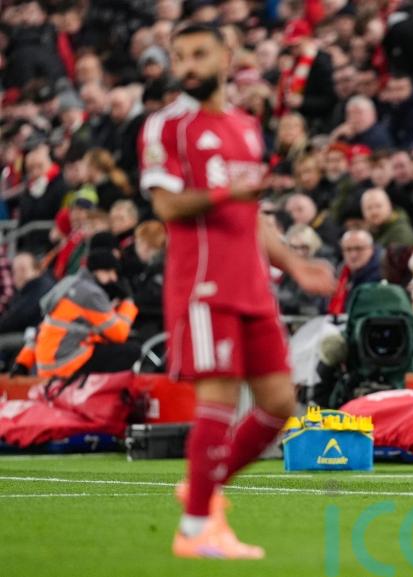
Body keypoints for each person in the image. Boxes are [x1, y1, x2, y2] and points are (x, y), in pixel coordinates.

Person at [138, 23, 334, 561]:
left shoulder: (247, 127)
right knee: (219, 401)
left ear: (226, 57)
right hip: (204, 285)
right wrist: (227, 192)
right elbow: (166, 205)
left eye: (199, 54)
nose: (188, 66)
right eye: (180, 56)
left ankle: (202, 488)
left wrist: (295, 265)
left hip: (253, 287)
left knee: (279, 403)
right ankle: (196, 527)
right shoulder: (167, 126)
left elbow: (253, 215)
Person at [12, 248, 140, 377]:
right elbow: (119, 334)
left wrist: (22, 363)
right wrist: (128, 302)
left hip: (47, 366)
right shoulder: (92, 294)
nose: (114, 278)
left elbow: (42, 329)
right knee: (131, 350)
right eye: (108, 272)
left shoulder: (68, 284)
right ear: (95, 271)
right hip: (67, 364)